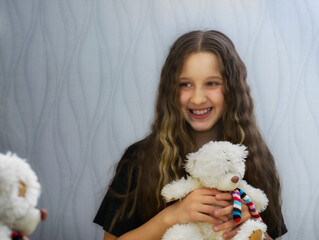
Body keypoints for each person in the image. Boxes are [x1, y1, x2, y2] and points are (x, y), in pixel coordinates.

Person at [94, 30, 288, 240]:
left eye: (212, 83)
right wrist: (171, 216)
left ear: (232, 89)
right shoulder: (138, 160)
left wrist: (251, 226)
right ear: (170, 91)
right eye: (185, 84)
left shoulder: (256, 159)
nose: (197, 99)